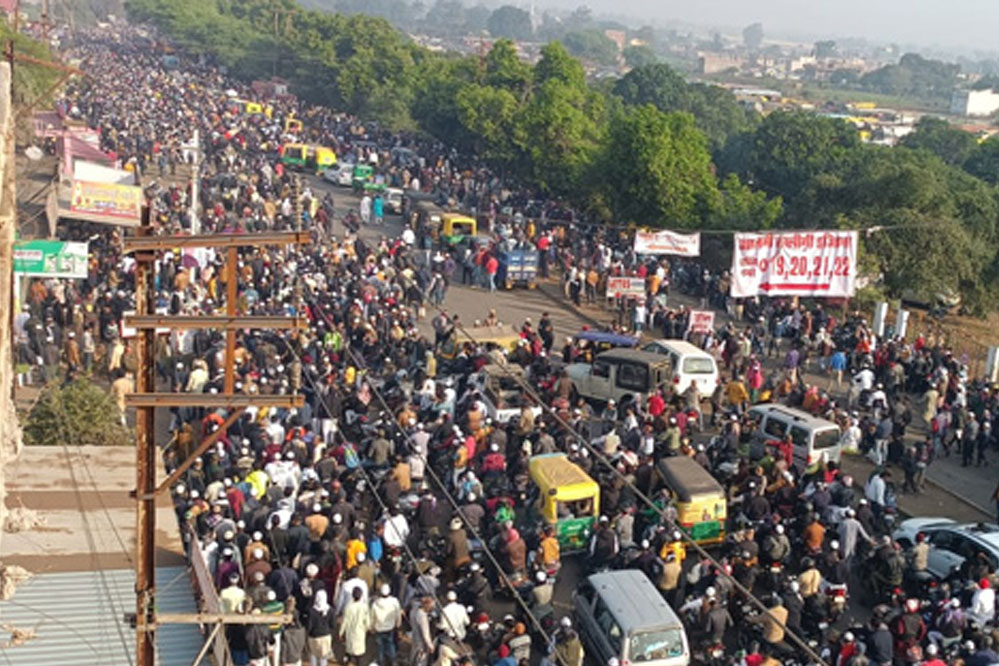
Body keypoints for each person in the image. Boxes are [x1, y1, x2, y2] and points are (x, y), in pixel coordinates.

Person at [370, 583, 402, 666]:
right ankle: (393, 661)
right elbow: (398, 614)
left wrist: (372, 627)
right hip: (390, 627)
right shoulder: (394, 601)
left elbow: (372, 617)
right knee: (390, 644)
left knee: (379, 646)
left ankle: (381, 662)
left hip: (379, 628)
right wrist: (398, 624)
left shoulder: (375, 603)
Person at [339, 585, 370, 666]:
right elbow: (367, 621)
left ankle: (346, 662)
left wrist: (341, 632)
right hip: (360, 632)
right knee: (359, 653)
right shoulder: (364, 607)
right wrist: (367, 629)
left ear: (352, 595)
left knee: (349, 649)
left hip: (350, 632)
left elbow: (344, 621)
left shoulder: (349, 607)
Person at [305, 590, 335, 666]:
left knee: (313, 656)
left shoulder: (312, 611)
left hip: (314, 637)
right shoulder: (330, 610)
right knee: (323, 657)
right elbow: (333, 625)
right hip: (326, 637)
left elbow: (309, 626)